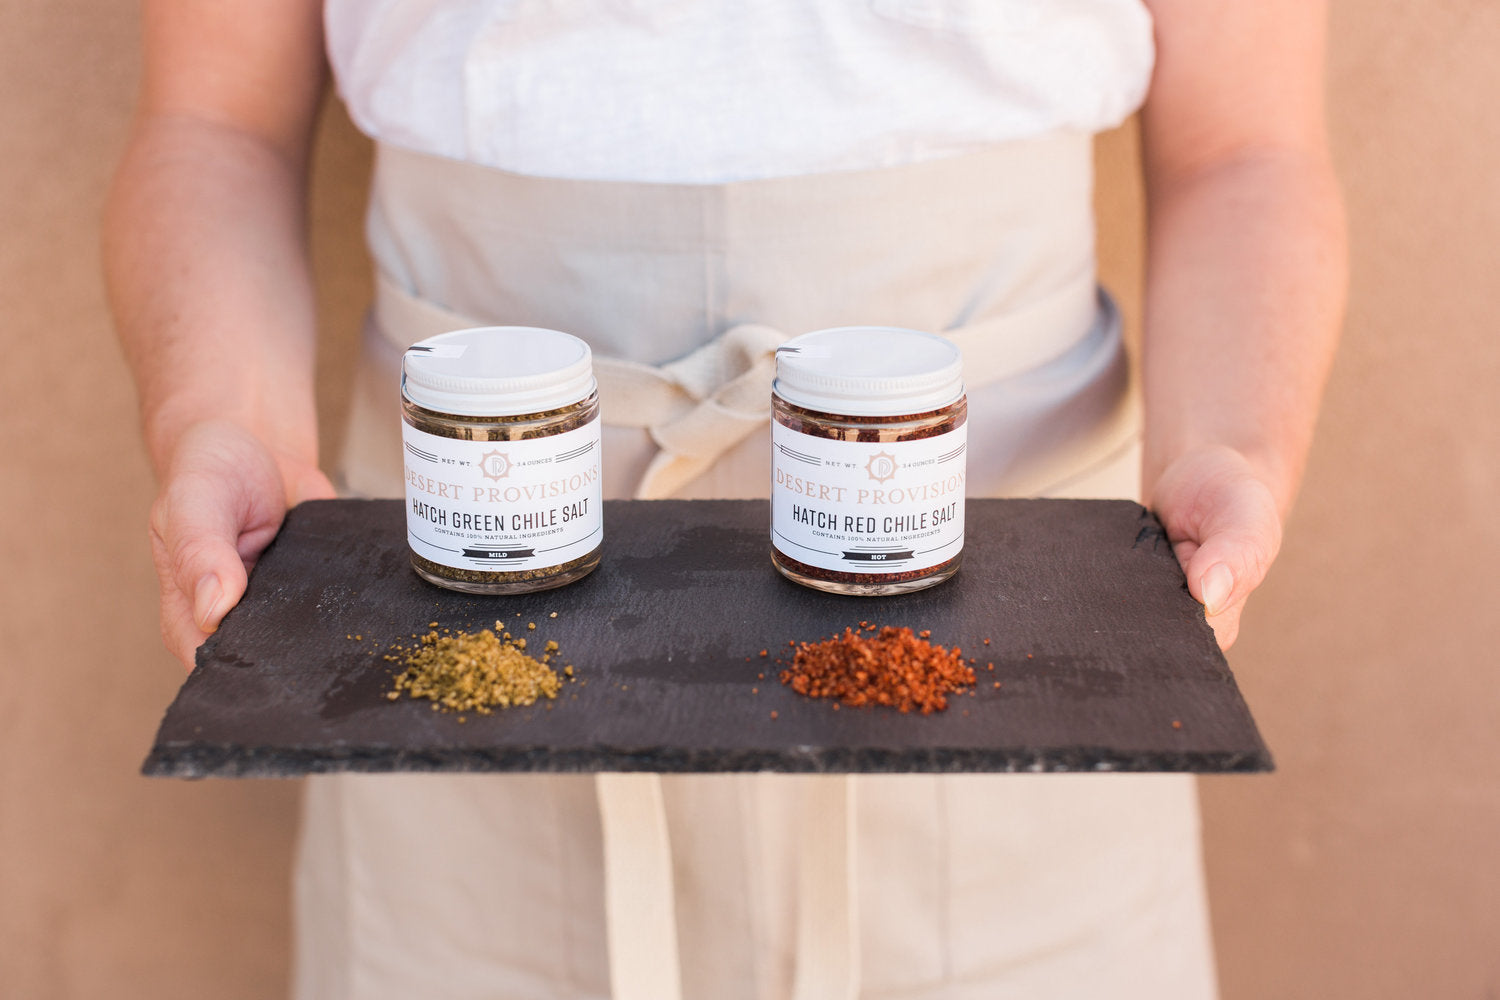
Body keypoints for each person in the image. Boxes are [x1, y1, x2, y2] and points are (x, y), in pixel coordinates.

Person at [105, 1, 1346, 997]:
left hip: (997, 604)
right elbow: (218, 122)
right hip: (468, 604)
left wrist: (1233, 442)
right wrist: (228, 421)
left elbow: (1247, 148)